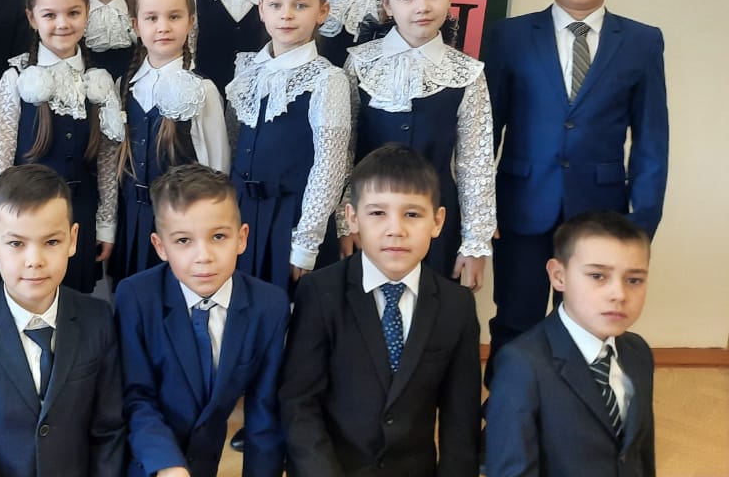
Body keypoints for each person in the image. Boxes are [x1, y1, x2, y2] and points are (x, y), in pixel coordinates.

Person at [485, 0, 668, 376]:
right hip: (522, 205)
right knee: (516, 318)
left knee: (588, 322)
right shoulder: (509, 36)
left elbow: (651, 138)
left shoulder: (642, 42)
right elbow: (486, 130)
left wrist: (642, 222)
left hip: (601, 211)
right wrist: (481, 208)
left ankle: (578, 411)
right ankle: (506, 412)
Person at [279, 144, 481, 476]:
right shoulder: (319, 293)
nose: (395, 229)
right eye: (377, 213)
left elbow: (461, 421)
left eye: (412, 214)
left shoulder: (456, 306)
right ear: (352, 218)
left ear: (437, 221)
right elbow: (299, 402)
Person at [0, 164, 127, 476]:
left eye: (51, 242)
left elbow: (108, 432)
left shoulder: (97, 319)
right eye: (16, 244)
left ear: (73, 239)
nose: (35, 260)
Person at [115, 164, 287, 477]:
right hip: (143, 463)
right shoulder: (136, 297)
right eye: (183, 241)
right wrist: (167, 464)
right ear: (160, 246)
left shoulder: (269, 306)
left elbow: (264, 414)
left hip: (205, 463)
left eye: (218, 236)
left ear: (241, 238)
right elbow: (136, 397)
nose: (204, 256)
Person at [343, 0, 494, 287]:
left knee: (431, 307)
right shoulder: (360, 62)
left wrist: (476, 243)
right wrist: (344, 220)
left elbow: (476, 163)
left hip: (436, 222)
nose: (422, 7)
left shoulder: (467, 72)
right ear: (387, 4)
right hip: (369, 219)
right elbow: (344, 150)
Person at [486, 211, 655, 477]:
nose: (619, 294)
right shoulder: (522, 364)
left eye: (634, 280)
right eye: (598, 276)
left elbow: (641, 454)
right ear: (559, 276)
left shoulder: (638, 353)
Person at [0, 0, 125, 293]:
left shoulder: (99, 80)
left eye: (73, 13)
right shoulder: (16, 77)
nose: (62, 24)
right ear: (32, 18)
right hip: (26, 221)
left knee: (77, 302)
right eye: (50, 15)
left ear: (87, 13)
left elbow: (107, 163)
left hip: (81, 217)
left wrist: (106, 225)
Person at [225, 0, 350, 291]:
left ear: (322, 12)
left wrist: (307, 241)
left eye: (300, 5)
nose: (286, 15)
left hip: (291, 220)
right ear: (261, 9)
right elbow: (234, 145)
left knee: (292, 310)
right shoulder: (247, 70)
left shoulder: (327, 79)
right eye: (276, 5)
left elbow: (330, 166)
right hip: (240, 214)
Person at [112, 0, 229, 283]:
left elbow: (217, 167)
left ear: (191, 21)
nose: (163, 27)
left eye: (174, 17)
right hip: (131, 221)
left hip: (181, 225)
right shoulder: (124, 85)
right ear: (136, 25)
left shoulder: (202, 89)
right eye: (152, 18)